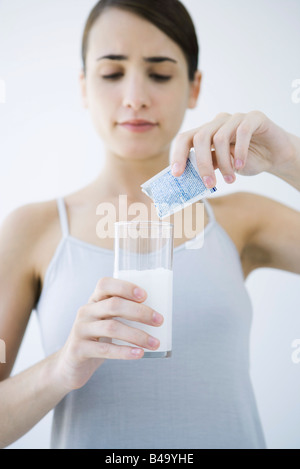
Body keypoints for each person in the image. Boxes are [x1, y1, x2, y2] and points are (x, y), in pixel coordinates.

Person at [0, 0, 299, 450]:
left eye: (159, 73)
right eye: (111, 73)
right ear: (84, 86)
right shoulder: (33, 229)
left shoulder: (243, 220)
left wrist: (287, 157)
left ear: (194, 87)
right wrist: (60, 369)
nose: (136, 95)